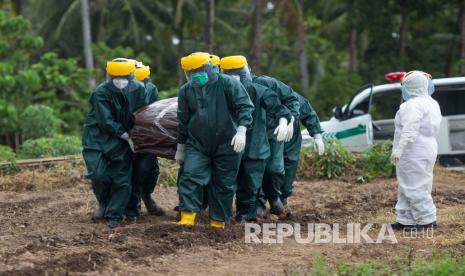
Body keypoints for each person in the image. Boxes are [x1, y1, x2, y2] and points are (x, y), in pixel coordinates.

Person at [175, 52, 254, 228]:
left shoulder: (228, 83)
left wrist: (241, 131)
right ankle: (187, 216)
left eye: (199, 71)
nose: (195, 75)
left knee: (223, 183)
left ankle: (218, 222)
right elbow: (182, 120)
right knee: (190, 176)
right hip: (198, 144)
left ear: (209, 68)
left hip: (228, 143)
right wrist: (180, 147)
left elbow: (245, 107)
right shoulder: (186, 90)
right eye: (191, 72)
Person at [220, 55, 291, 222]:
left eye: (237, 75)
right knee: (227, 183)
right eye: (229, 75)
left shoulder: (257, 90)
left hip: (256, 146)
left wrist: (283, 121)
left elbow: (279, 108)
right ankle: (223, 214)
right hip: (228, 146)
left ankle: (246, 215)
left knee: (250, 185)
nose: (234, 80)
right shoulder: (219, 92)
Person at [82, 58, 147, 228]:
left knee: (122, 178)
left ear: (131, 76)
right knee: (97, 173)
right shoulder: (100, 92)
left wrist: (137, 136)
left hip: (124, 141)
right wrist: (126, 136)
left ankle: (115, 216)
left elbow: (142, 114)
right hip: (97, 138)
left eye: (123, 77)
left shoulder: (139, 89)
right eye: (115, 77)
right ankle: (104, 203)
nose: (119, 81)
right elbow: (105, 120)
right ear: (109, 76)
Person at [390, 71, 442, 230]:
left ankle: (426, 220)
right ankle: (406, 219)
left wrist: (399, 149)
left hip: (413, 151)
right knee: (409, 185)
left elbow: (410, 129)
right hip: (426, 148)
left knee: (414, 186)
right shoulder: (431, 102)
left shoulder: (412, 105)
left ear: (410, 86)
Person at [252, 74, 300, 216]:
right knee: (254, 169)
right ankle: (258, 205)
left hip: (274, 131)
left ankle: (275, 197)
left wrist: (290, 120)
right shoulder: (229, 86)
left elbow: (293, 99)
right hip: (251, 134)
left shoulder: (267, 83)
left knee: (275, 168)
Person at [125, 62, 165, 218]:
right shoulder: (123, 88)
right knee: (129, 172)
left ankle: (146, 197)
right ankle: (132, 209)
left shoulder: (151, 88)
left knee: (149, 170)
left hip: (147, 135)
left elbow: (155, 109)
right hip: (126, 135)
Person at [281, 92, 324, 207]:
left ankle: (281, 202)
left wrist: (317, 135)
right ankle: (257, 206)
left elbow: (307, 112)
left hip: (290, 142)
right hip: (265, 141)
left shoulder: (284, 93)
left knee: (288, 172)